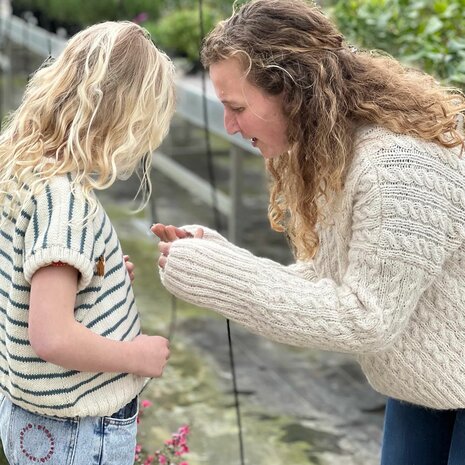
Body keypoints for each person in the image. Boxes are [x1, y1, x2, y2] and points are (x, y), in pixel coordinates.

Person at [151, 0, 465, 464]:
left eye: (236, 107)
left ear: (293, 91)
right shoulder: (340, 148)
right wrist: (221, 259)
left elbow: (365, 318)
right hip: (427, 379)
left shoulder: (396, 168)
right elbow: (332, 281)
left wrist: (221, 277)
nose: (229, 126)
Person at [0, 21, 174, 465]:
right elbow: (52, 337)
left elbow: (25, 276)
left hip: (30, 415)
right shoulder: (65, 203)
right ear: (124, 120)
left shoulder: (22, 170)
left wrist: (99, 276)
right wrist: (137, 356)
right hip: (75, 431)